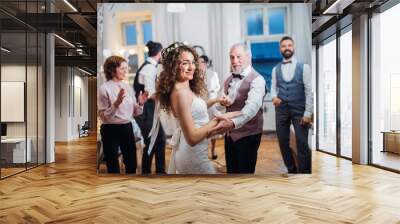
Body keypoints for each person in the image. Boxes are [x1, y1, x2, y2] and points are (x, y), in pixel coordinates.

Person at [150, 42, 238, 174]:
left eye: (192, 62)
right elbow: (192, 138)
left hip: (195, 151)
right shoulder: (180, 93)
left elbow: (194, 110)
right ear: (173, 66)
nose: (191, 67)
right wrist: (219, 119)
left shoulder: (183, 87)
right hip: (192, 155)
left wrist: (215, 101)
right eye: (185, 63)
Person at [208, 43, 266, 174]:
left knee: (244, 174)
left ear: (248, 56)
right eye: (232, 57)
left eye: (238, 57)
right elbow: (219, 105)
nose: (234, 61)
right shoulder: (228, 80)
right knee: (232, 172)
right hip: (230, 136)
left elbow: (251, 109)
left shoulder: (258, 80)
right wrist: (221, 104)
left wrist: (232, 123)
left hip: (249, 135)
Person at [98, 55, 149, 174]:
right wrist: (116, 104)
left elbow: (135, 112)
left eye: (127, 68)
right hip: (109, 129)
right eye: (122, 68)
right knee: (113, 166)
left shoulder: (127, 87)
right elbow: (104, 116)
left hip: (127, 127)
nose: (126, 71)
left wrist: (140, 104)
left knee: (131, 164)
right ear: (112, 70)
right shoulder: (104, 89)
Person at [271, 36, 313, 174]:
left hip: (299, 109)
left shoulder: (304, 67)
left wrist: (308, 113)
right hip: (281, 109)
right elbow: (273, 88)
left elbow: (309, 92)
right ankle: (291, 169)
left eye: (289, 45)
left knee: (302, 143)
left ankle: (305, 173)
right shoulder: (275, 69)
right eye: (284, 46)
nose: (287, 48)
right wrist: (273, 97)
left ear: (293, 47)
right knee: (283, 142)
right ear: (280, 49)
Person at [133, 41, 166, 174]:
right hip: (145, 111)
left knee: (160, 140)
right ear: (159, 54)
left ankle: (159, 171)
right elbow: (150, 94)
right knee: (152, 142)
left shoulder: (151, 67)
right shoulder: (149, 68)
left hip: (150, 110)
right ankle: (147, 172)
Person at [199, 55, 221, 160]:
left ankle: (213, 150)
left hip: (211, 104)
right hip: (201, 104)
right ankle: (203, 152)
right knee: (202, 129)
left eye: (202, 62)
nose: (200, 64)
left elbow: (217, 87)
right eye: (198, 62)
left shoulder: (213, 74)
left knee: (212, 130)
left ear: (206, 63)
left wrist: (212, 91)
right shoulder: (194, 75)